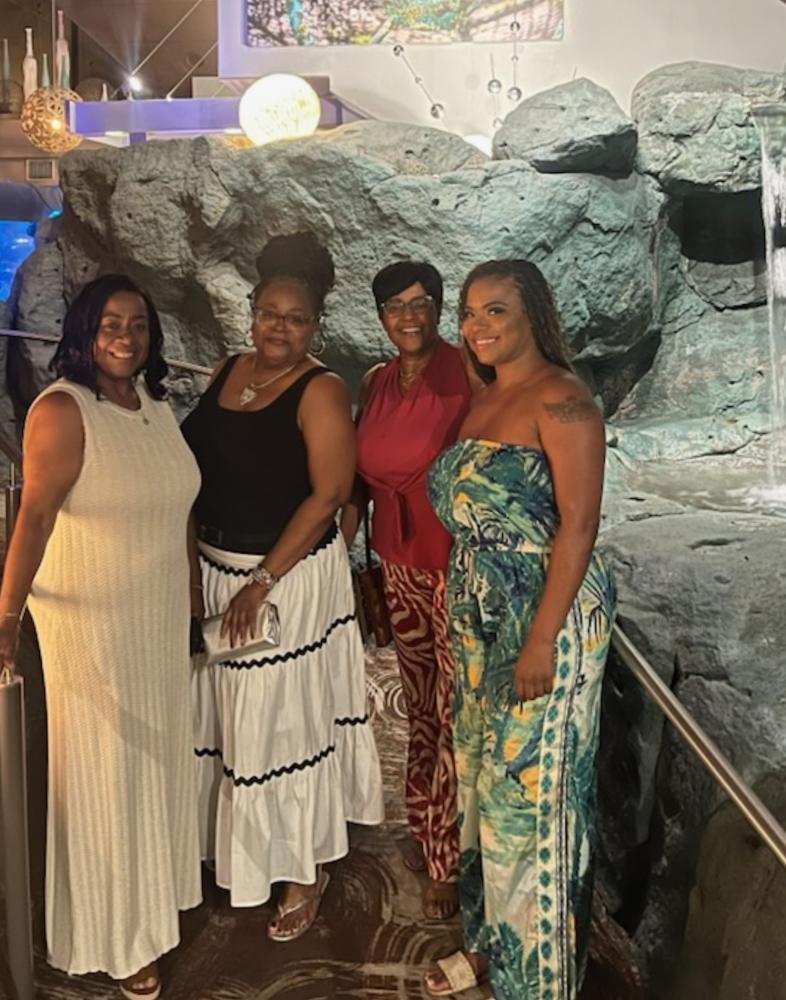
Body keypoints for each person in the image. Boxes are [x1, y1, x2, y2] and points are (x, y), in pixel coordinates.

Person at [0, 275, 202, 999]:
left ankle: (153, 906)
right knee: (108, 775)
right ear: (84, 331)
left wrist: (191, 593)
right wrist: (6, 618)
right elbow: (34, 517)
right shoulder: (64, 409)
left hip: (154, 616)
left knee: (156, 763)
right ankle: (117, 937)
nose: (125, 336)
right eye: (110, 323)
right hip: (92, 619)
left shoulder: (155, 404)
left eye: (138, 324)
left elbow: (179, 506)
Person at [182, 232, 384, 940]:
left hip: (283, 579)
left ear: (315, 326)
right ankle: (236, 846)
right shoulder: (226, 371)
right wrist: (191, 569)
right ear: (252, 313)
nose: (279, 327)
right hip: (215, 569)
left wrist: (261, 581)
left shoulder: (321, 390)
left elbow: (329, 495)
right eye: (269, 313)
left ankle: (303, 868)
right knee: (228, 718)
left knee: (282, 721)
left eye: (296, 319)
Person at [424, 260, 616, 998]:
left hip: (546, 617)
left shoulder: (563, 399)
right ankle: (492, 947)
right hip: (484, 618)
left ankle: (539, 981)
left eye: (495, 310)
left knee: (531, 799)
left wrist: (540, 640)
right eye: (469, 313)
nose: (477, 326)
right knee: (482, 784)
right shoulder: (487, 399)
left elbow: (580, 524)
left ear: (532, 313)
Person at [341, 261, 472, 919]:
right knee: (420, 706)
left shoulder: (469, 372)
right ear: (381, 316)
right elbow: (359, 481)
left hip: (454, 569)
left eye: (421, 303)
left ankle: (449, 856)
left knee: (453, 714)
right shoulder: (377, 381)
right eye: (395, 306)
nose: (409, 316)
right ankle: (426, 821)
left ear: (439, 307)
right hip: (398, 567)